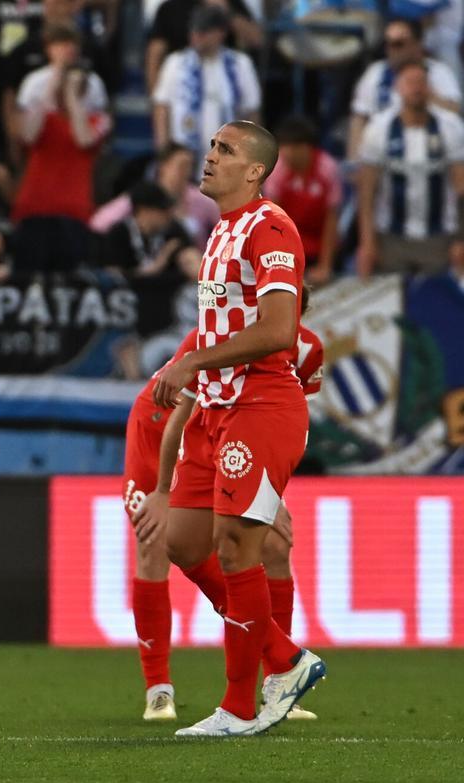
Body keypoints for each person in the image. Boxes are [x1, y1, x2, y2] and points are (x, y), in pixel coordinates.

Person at [147, 120, 326, 737]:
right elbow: (224, 327)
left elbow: (280, 330)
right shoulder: (221, 232)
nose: (210, 156)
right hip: (215, 408)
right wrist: (190, 366)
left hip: (261, 404)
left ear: (255, 170)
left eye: (225, 150)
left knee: (236, 546)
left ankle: (240, 707)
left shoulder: (271, 228)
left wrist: (193, 361)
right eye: (212, 146)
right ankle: (285, 657)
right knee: (183, 542)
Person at [127, 298, 325, 724]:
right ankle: (159, 691)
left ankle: (280, 682)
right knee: (155, 544)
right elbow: (181, 415)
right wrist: (162, 490)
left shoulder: (307, 351)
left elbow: (277, 423)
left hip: (224, 436)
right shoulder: (217, 339)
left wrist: (272, 494)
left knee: (272, 544)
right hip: (160, 430)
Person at [356, 60, 464, 278]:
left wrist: (461, 240)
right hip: (391, 238)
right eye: (410, 82)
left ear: (430, 88)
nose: (416, 88)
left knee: (439, 306)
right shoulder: (378, 129)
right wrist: (367, 243)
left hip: (439, 237)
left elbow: (461, 188)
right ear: (397, 87)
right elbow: (367, 193)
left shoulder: (450, 127)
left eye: (421, 82)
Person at [11, 21, 110, 224]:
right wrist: (53, 81)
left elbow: (85, 141)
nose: (68, 50)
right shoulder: (34, 83)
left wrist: (73, 96)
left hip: (75, 205)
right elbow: (28, 136)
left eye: (71, 44)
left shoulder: (95, 93)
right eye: (61, 44)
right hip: (35, 203)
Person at [151, 6, 260, 160]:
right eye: (193, 31)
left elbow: (251, 112)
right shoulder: (175, 63)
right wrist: (163, 150)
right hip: (184, 159)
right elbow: (161, 107)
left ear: (220, 33)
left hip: (227, 158)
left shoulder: (240, 64)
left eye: (202, 32)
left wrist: (250, 155)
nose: (196, 37)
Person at [347, 17, 461, 161]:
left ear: (417, 45)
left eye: (398, 44)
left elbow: (454, 112)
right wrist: (353, 161)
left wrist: (424, 91)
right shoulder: (375, 73)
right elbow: (359, 119)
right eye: (387, 44)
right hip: (383, 155)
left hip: (433, 152)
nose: (390, 50)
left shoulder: (438, 72)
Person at [263, 116, 342, 286]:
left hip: (319, 242)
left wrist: (325, 265)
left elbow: (331, 219)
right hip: (291, 243)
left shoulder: (328, 168)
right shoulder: (277, 170)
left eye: (291, 147)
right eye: (282, 146)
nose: (286, 153)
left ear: (306, 147)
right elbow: (274, 221)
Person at [90, 142, 220, 242]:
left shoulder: (200, 197)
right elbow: (100, 222)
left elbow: (227, 223)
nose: (186, 172)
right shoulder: (145, 194)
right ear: (163, 166)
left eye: (190, 166)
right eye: (181, 165)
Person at [97, 181, 200, 279]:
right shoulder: (119, 234)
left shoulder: (174, 230)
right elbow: (113, 275)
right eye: (162, 209)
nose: (168, 214)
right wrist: (157, 265)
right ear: (143, 211)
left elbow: (193, 261)